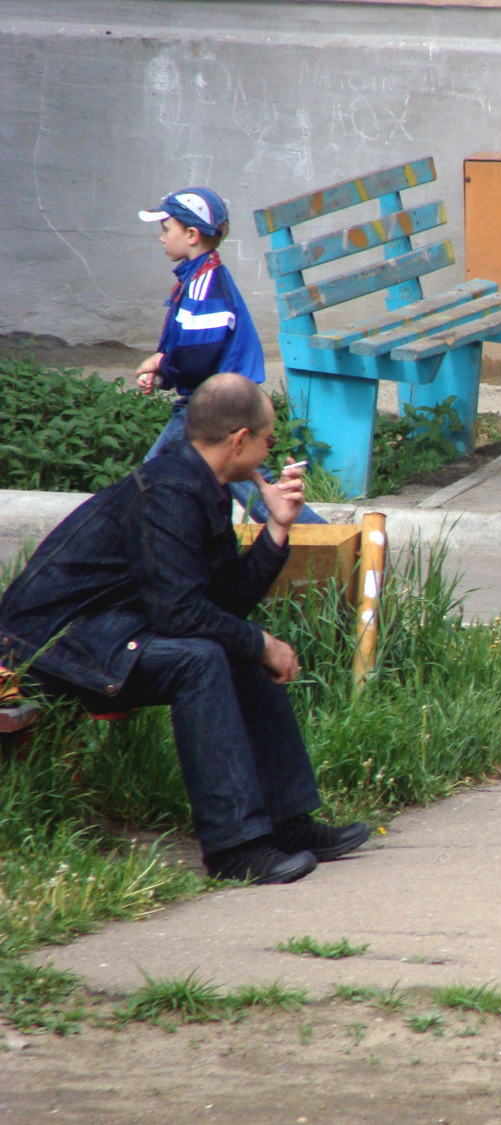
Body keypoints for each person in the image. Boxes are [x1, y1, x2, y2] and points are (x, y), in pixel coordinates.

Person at [0, 374, 368, 884]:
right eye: (269, 440)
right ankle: (234, 847)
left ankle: (288, 823)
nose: (271, 451)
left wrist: (277, 530)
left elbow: (220, 605)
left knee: (233, 647)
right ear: (240, 440)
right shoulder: (169, 491)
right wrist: (264, 644)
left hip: (105, 635)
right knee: (202, 658)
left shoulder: (198, 486)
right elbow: (179, 615)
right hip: (45, 649)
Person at [134, 187, 322, 525]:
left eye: (166, 229)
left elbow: (196, 359)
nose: (161, 238)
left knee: (151, 480)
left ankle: (333, 548)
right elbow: (188, 347)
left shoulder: (205, 284)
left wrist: (159, 364)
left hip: (215, 403)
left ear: (191, 235)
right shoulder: (198, 277)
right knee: (246, 482)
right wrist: (164, 373)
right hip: (215, 398)